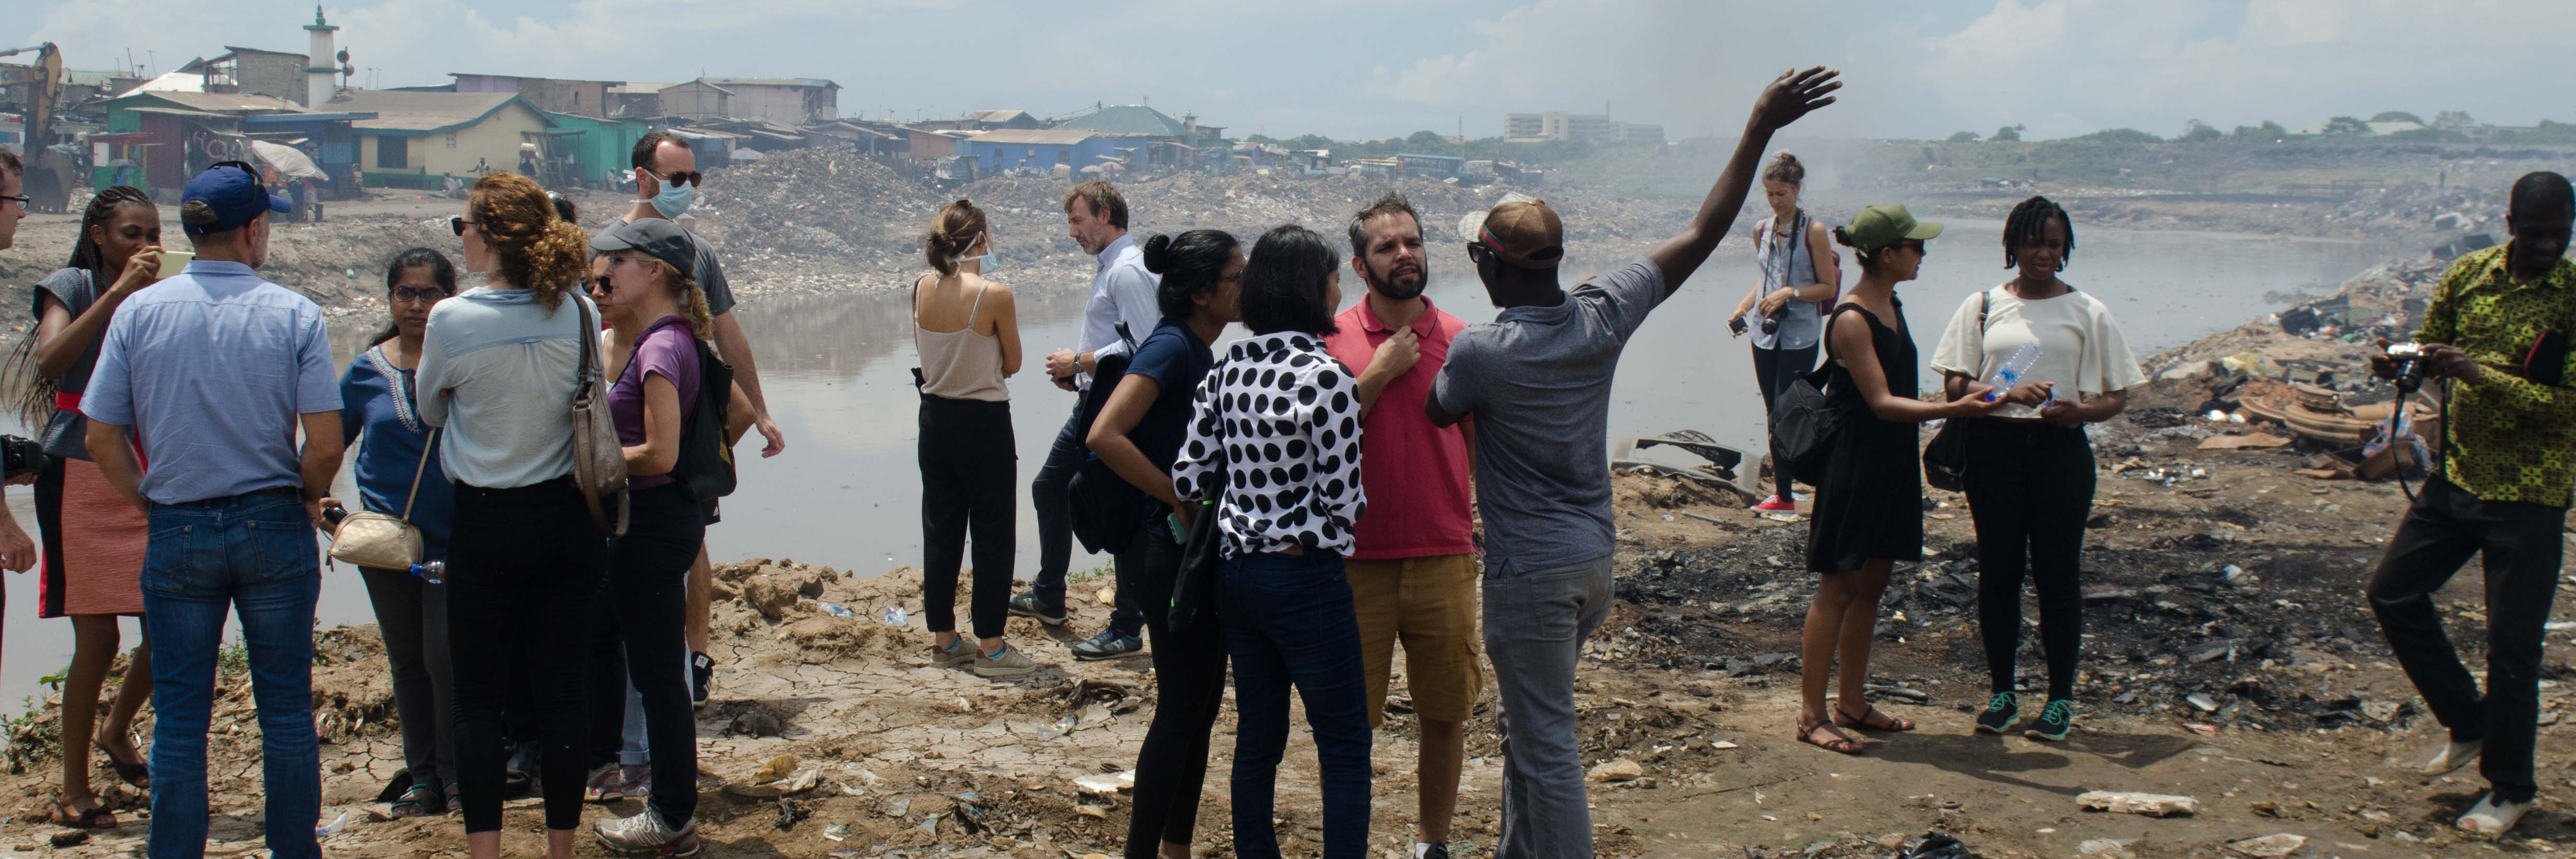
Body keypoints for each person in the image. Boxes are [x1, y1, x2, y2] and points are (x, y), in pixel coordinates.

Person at [1424, 67, 1842, 859]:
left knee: (1546, 744)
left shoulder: (1481, 351)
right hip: (1592, 560)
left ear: (1492, 266)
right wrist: (1756, 127)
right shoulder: (1604, 310)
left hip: (1530, 574)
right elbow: (1703, 230)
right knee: (1530, 725)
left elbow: (1438, 408)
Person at [83, 162, 340, 859]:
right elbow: (323, 442)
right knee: (285, 709)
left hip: (179, 524)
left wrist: (148, 498)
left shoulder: (138, 310)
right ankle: (295, 849)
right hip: (272, 521)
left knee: (182, 715)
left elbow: (100, 433)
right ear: (254, 229)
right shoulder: (294, 313)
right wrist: (305, 491)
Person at [2364, 171, 2576, 836]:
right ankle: (2468, 720)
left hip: (2530, 491)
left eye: (2559, 234)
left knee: (2511, 647)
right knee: (2391, 593)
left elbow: (2565, 405)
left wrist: (2478, 373)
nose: (2547, 246)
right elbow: (2429, 349)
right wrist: (2405, 364)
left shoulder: (2571, 296)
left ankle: (2509, 787)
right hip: (2456, 477)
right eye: (2536, 233)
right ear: (2508, 223)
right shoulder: (2467, 275)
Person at [417, 171, 606, 859]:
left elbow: (429, 410)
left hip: (486, 520)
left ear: (492, 235)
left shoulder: (452, 318)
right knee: (562, 689)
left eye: (463, 225)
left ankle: (485, 851)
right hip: (568, 516)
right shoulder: (579, 309)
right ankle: (562, 847)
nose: (458, 236)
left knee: (477, 698)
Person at [1172, 224, 1369, 859]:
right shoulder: (1326, 376)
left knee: (1258, 734)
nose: (1339, 288)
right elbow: (1344, 497)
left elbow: (1187, 472)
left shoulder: (1229, 367)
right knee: (1342, 743)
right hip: (1303, 577)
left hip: (1236, 576)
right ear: (1312, 288)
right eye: (1334, 277)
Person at [1929, 196, 2143, 742]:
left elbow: (2115, 396)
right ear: (2012, 245)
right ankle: (2001, 692)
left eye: (2052, 244)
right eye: (2032, 242)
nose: (2042, 253)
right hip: (1993, 451)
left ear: (2064, 248)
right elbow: (1954, 385)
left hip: (2060, 453)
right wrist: (2006, 390)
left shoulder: (2087, 310)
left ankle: (2059, 700)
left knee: (2057, 576)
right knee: (1998, 571)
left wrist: (2079, 412)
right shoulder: (1981, 305)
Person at [1795, 204, 2004, 756]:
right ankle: (1811, 713)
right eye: (1915, 247)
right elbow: (1882, 403)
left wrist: (1974, 393)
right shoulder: (1850, 319)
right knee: (1838, 584)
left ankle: (1851, 701)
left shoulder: (1891, 303)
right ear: (1887, 253)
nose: (1922, 256)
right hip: (1853, 462)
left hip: (1889, 462)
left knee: (1872, 583)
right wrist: (1954, 409)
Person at [1319, 192, 1477, 859]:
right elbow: (1311, 442)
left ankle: (1430, 843)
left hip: (1444, 554)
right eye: (1386, 247)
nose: (1403, 254)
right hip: (1356, 561)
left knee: (1446, 713)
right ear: (1360, 264)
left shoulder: (1464, 340)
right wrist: (1378, 375)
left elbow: (1484, 447)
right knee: (1349, 724)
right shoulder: (1331, 340)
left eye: (1410, 241)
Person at [10, 186, 160, 829]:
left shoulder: (163, 289)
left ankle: (117, 726)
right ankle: (73, 786)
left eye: (153, 233)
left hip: (147, 462)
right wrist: (118, 293)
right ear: (99, 234)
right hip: (76, 466)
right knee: (97, 638)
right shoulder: (69, 283)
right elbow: (51, 358)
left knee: (174, 620)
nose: (144, 245)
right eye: (131, 233)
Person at [582, 216, 731, 853]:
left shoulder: (661, 347)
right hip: (654, 520)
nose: (606, 271)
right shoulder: (667, 339)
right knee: (624, 652)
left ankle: (671, 816)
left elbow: (661, 452)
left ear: (656, 272)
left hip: (651, 518)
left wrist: (587, 462)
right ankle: (641, 788)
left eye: (619, 261)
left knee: (657, 676)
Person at [1092, 229, 1243, 859]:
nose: (1245, 287)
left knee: (1199, 706)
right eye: (1237, 277)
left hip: (1180, 550)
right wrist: (1172, 493)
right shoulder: (1172, 347)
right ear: (1204, 291)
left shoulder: (1195, 350)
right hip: (1161, 551)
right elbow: (1106, 432)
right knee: (1181, 708)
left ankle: (1174, 847)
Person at [623, 131, 784, 708]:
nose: (688, 189)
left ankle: (694, 656)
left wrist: (759, 410)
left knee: (689, 536)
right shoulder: (612, 250)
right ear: (642, 177)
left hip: (684, 422)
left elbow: (728, 333)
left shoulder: (696, 253)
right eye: (676, 179)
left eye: (694, 178)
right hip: (626, 417)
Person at [330, 248, 463, 817]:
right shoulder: (364, 371)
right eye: (405, 292)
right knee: (408, 661)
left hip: (457, 540)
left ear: (449, 298)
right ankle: (426, 779)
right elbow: (323, 444)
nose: (416, 304)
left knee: (447, 658)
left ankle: (461, 777)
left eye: (428, 293)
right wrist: (321, 504)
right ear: (390, 298)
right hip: (387, 546)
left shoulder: (462, 362)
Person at [1022, 180, 1160, 660]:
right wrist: (1080, 375)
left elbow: (1146, 347)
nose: (1073, 232)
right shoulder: (1112, 267)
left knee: (1120, 508)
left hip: (1114, 408)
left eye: (1078, 221)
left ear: (1104, 215)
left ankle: (1125, 625)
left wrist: (1080, 361)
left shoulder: (1126, 271)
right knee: (1050, 488)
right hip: (1094, 399)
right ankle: (1050, 593)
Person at [911, 200, 1038, 679]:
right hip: (982, 421)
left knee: (941, 527)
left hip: (934, 417)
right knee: (992, 531)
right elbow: (1013, 363)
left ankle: (944, 638)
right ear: (981, 237)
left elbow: (925, 353)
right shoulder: (994, 294)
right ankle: (991, 644)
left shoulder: (922, 287)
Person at [1726, 152, 1841, 512]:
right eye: (1771, 194)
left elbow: (1827, 288)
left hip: (1799, 333)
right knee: (1772, 411)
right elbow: (1766, 279)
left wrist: (1790, 293)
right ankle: (1784, 492)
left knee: (1792, 411)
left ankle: (1796, 490)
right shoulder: (1762, 229)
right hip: (1764, 331)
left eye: (1783, 193)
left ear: (1797, 189)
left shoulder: (1814, 231)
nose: (1777, 201)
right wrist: (1743, 307)